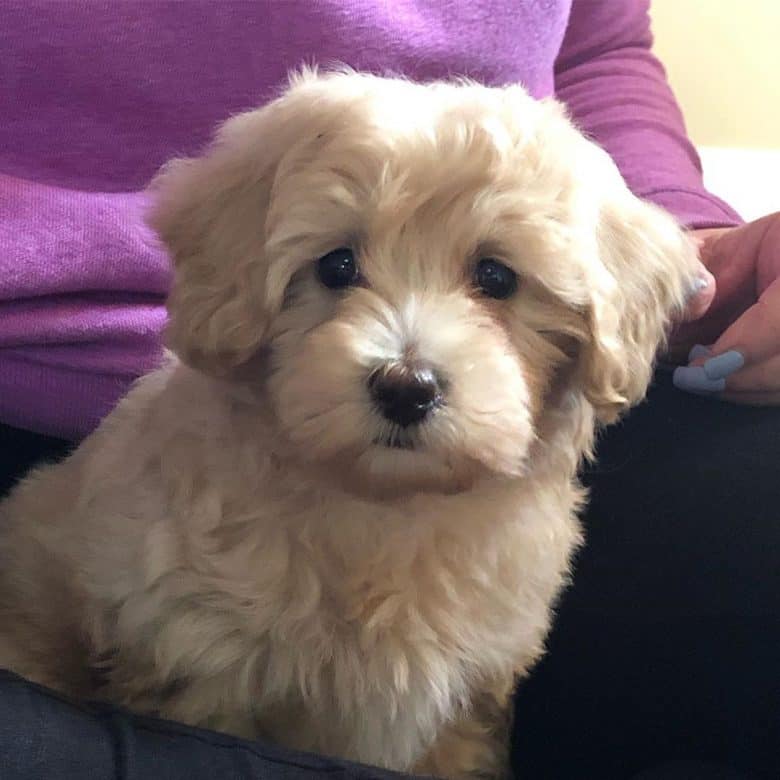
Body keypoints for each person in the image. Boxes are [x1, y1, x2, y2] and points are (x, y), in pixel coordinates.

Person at [0, 1, 777, 778]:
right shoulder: (184, 533)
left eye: (494, 279)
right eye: (339, 271)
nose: (407, 364)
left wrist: (700, 253)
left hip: (510, 465)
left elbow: (600, 48)